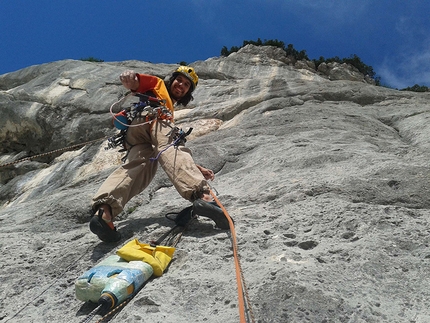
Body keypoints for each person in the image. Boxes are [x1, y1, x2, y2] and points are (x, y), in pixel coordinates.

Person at [90, 66, 230, 242]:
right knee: (171, 144)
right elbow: (137, 82)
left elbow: (166, 152)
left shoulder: (167, 104)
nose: (181, 85)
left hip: (136, 136)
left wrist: (196, 167)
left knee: (138, 168)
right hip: (154, 118)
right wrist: (130, 78)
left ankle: (104, 213)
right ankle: (204, 196)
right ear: (172, 79)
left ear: (188, 92)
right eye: (179, 80)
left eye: (187, 85)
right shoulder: (158, 85)